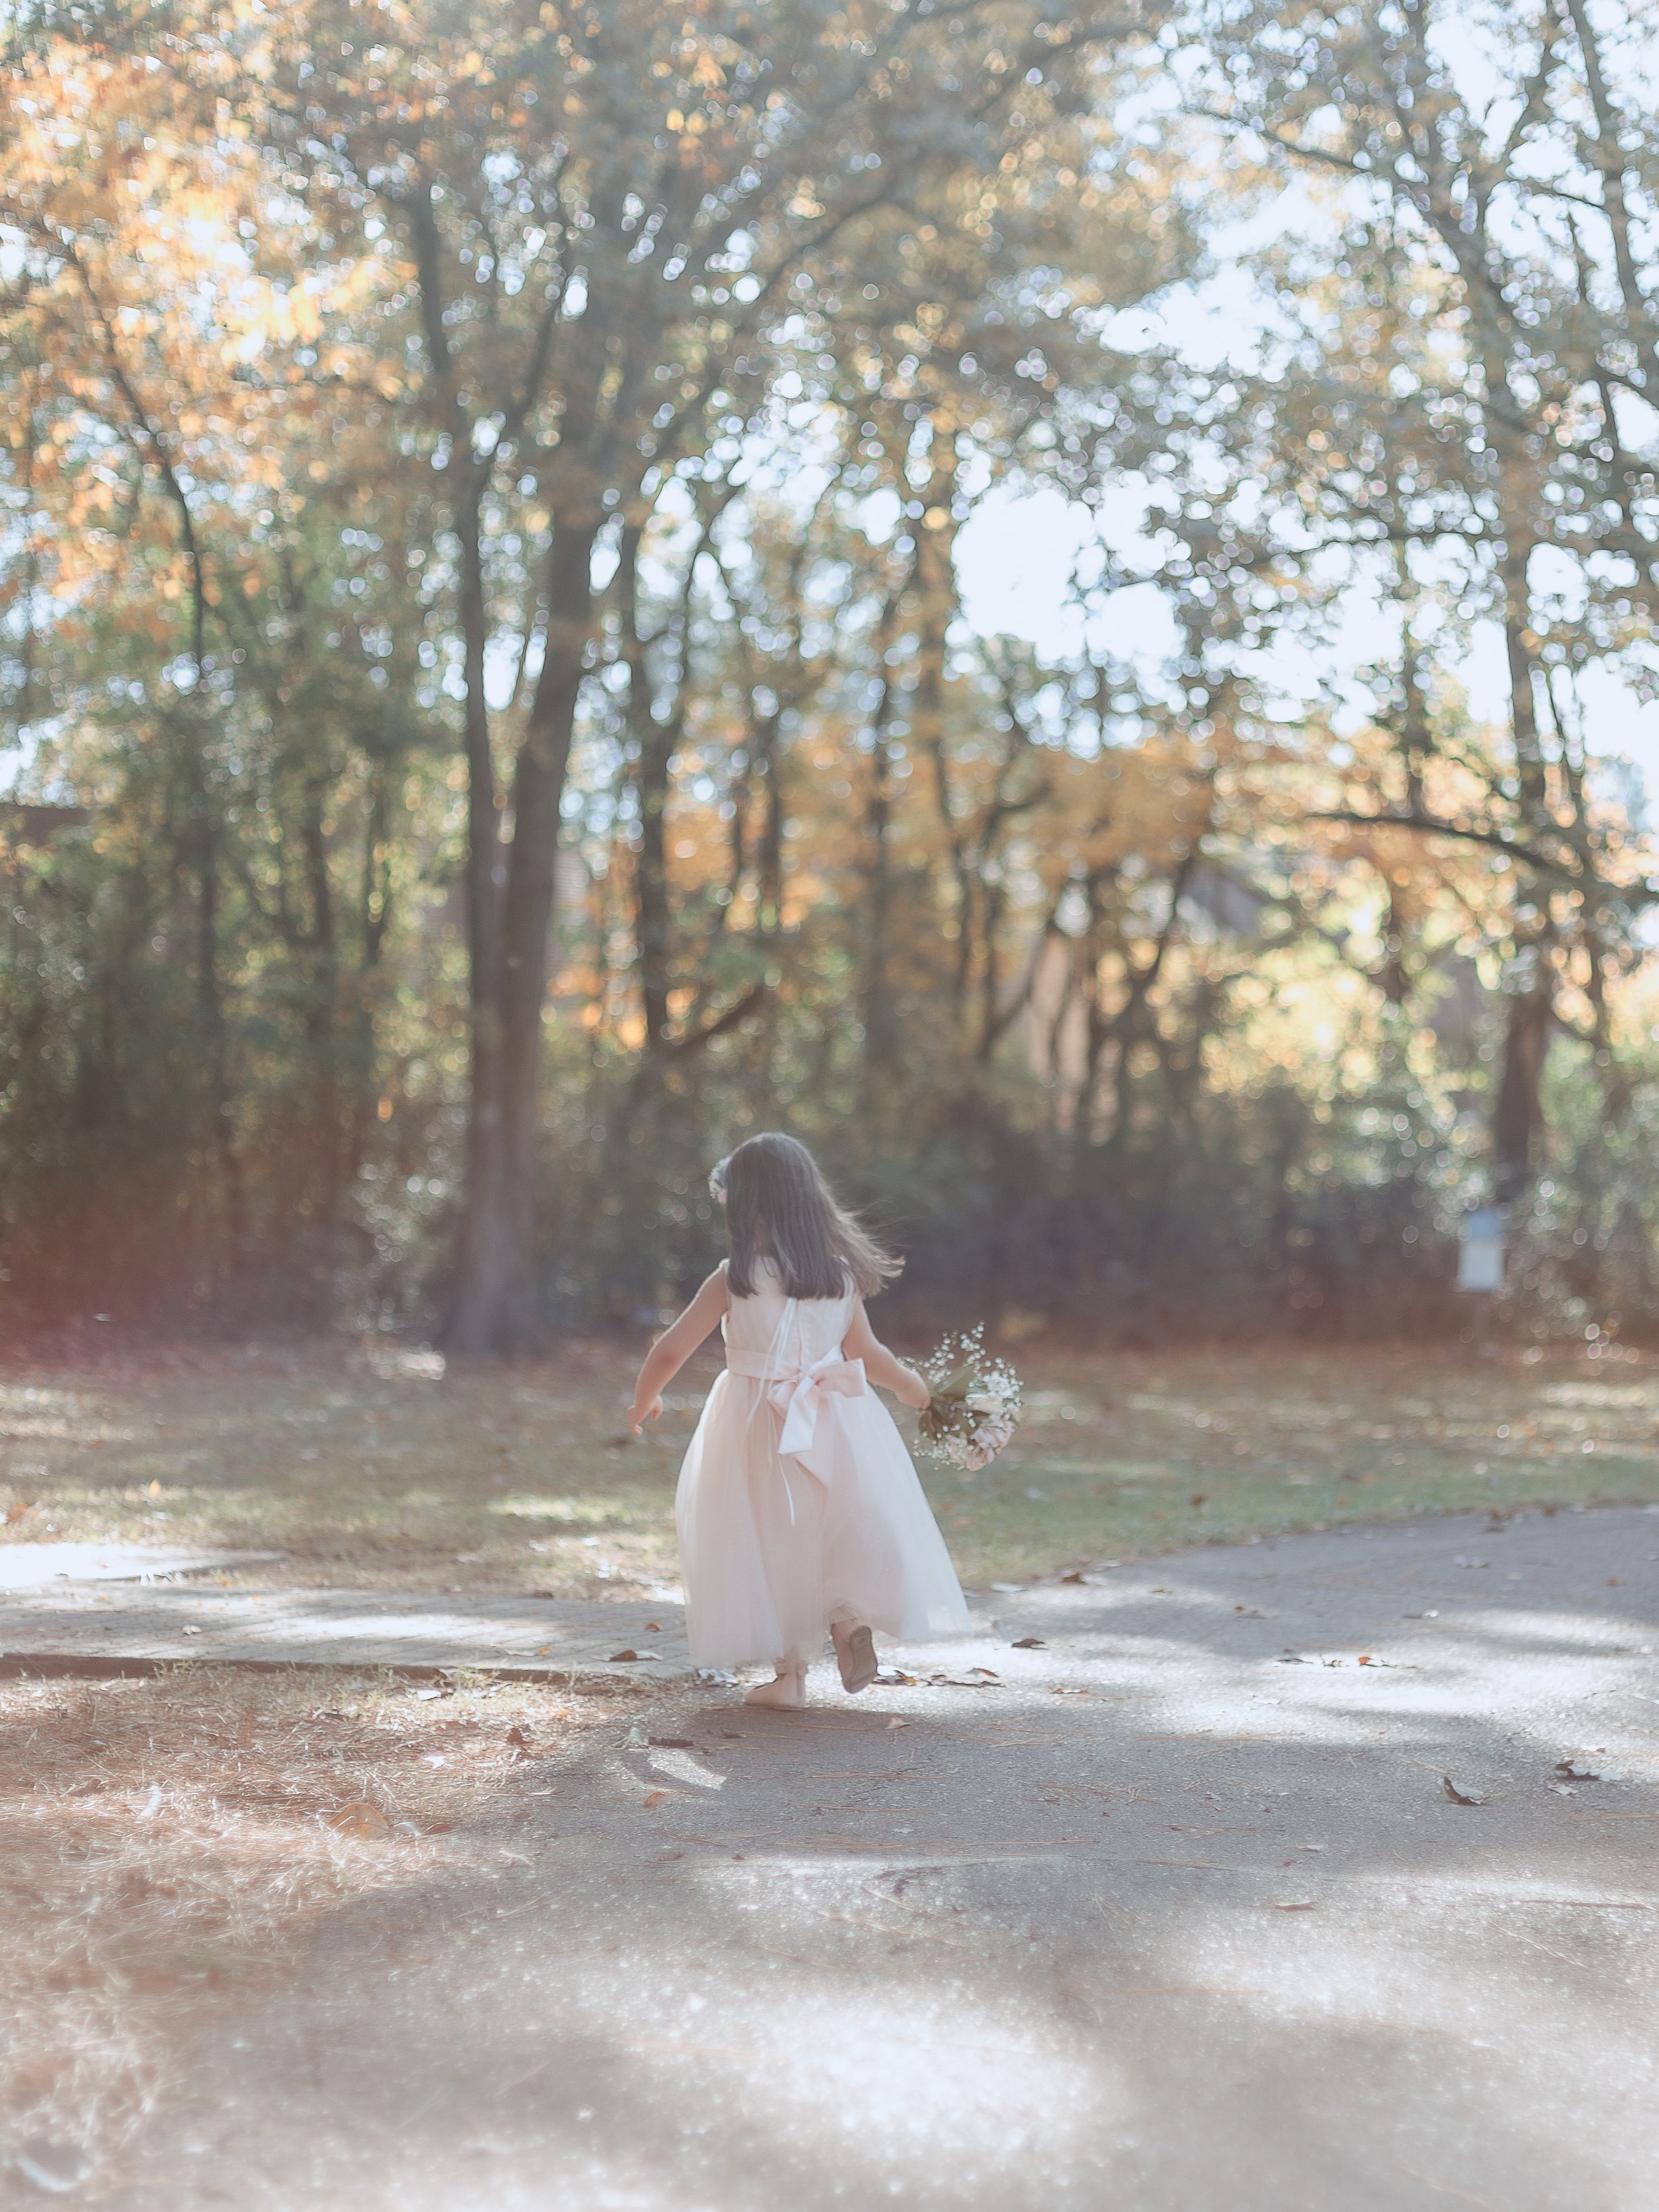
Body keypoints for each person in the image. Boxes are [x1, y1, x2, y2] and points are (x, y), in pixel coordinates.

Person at [626, 1133, 970, 1706]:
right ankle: (846, 1615)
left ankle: (791, 1678)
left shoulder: (734, 1277)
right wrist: (917, 1391)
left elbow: (671, 1348)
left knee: (768, 1534)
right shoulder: (839, 1276)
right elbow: (870, 1354)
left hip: (754, 1417)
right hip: (836, 1416)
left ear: (744, 1204)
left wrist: (645, 1399)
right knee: (836, 1520)